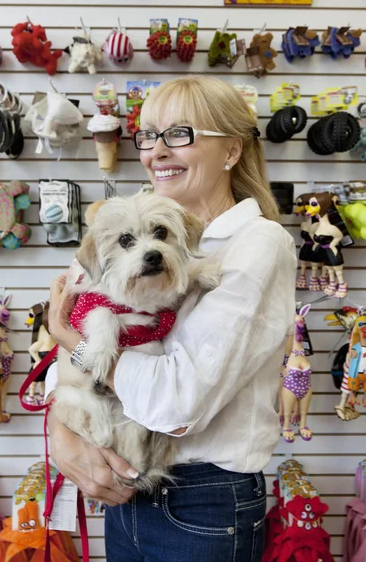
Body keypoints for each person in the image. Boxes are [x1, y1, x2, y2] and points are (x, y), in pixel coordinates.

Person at [46, 76, 297, 562]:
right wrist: (62, 438)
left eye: (179, 134)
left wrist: (76, 344)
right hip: (124, 491)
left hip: (203, 503)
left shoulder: (257, 244)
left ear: (231, 150)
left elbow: (175, 402)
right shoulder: (133, 222)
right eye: (148, 136)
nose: (156, 152)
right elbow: (64, 329)